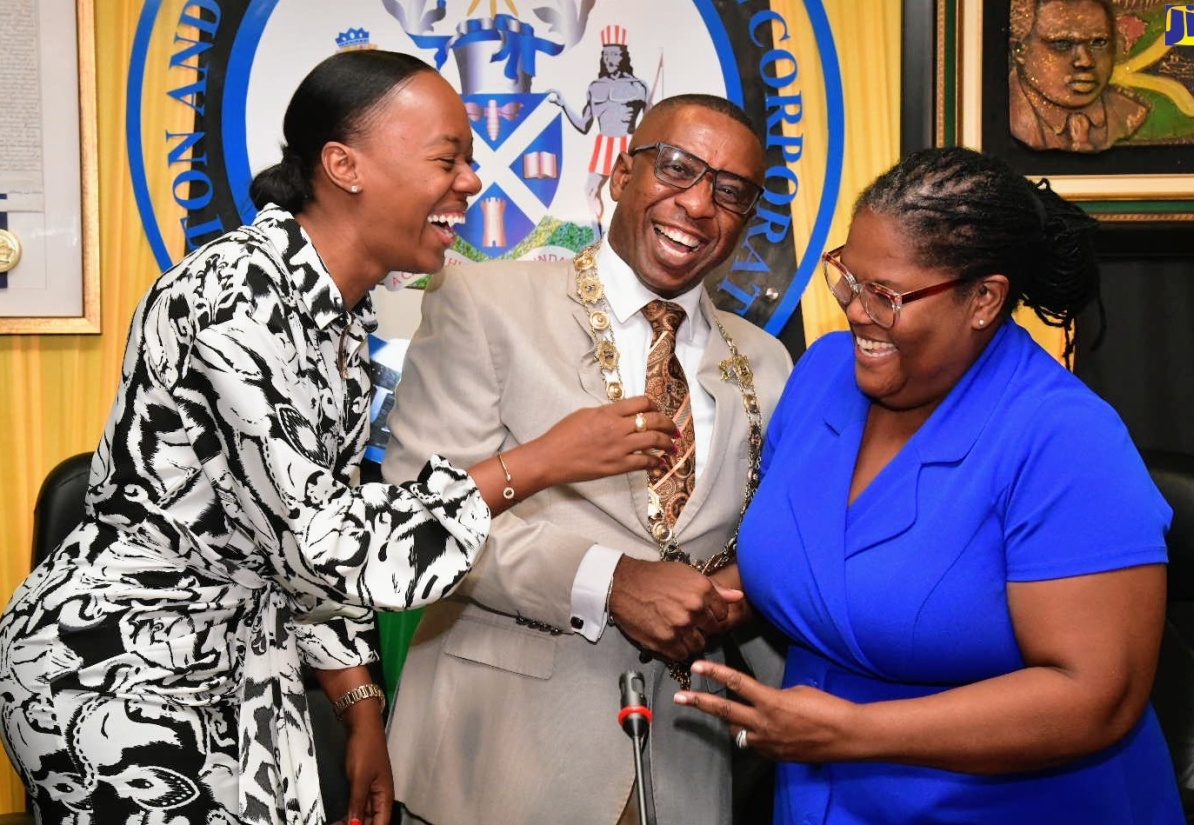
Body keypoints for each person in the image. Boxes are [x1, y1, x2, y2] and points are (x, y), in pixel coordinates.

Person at [0, 50, 678, 825]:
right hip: (115, 671)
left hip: (236, 670)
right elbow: (330, 539)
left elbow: (295, 551)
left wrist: (358, 706)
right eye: (447, 159)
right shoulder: (235, 294)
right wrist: (536, 462)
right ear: (343, 164)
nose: (470, 183)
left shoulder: (341, 319)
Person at [674, 145, 1185, 823]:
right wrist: (720, 595)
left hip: (1010, 803)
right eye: (848, 278)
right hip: (824, 793)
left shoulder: (1065, 438)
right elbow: (832, 555)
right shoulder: (826, 372)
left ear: (983, 299)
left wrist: (852, 731)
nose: (855, 310)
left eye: (886, 295)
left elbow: (1097, 695)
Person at [382, 93, 794, 825]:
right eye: (677, 167)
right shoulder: (484, 301)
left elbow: (767, 537)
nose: (699, 204)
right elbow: (420, 518)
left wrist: (742, 584)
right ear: (618, 172)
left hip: (684, 763)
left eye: (731, 191)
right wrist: (610, 582)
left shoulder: (764, 362)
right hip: (496, 759)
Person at [1009, 0, 1148, 152]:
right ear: (1020, 49)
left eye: (1099, 42)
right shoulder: (1004, 114)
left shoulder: (1130, 114)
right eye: (1062, 44)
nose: (1085, 61)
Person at [548, 25, 650, 225]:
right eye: (606, 55)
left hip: (628, 147)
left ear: (623, 57)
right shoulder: (595, 87)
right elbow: (584, 125)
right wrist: (564, 105)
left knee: (632, 195)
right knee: (590, 190)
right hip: (603, 145)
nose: (609, 60)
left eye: (614, 55)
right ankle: (598, 238)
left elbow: (651, 122)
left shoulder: (638, 86)